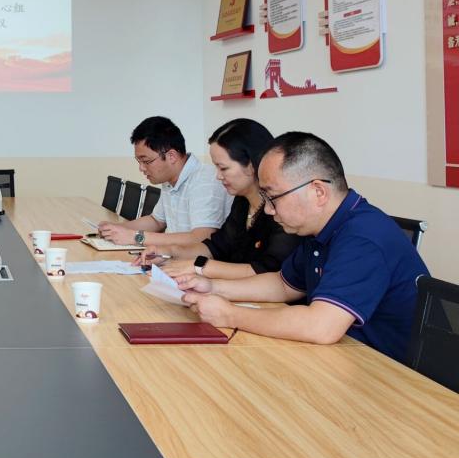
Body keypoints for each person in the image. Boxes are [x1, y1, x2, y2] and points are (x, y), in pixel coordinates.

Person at [177, 132, 430, 361]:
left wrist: (229, 314)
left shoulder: (364, 237)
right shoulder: (319, 227)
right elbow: (284, 285)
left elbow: (321, 326)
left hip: (387, 371)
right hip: (343, 356)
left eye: (273, 197)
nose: (268, 210)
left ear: (318, 192)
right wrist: (214, 287)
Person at [134, 119, 301, 279]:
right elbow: (216, 247)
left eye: (223, 168)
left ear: (251, 165)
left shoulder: (282, 210)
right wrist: (168, 252)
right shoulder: (242, 201)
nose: (218, 176)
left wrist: (199, 267)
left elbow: (269, 271)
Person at [99, 116, 232, 248]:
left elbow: (201, 238)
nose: (141, 168)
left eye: (146, 161)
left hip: (196, 260)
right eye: (139, 161)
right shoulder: (169, 179)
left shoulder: (205, 180)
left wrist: (136, 237)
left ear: (171, 156)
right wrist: (117, 229)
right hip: (174, 256)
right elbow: (156, 221)